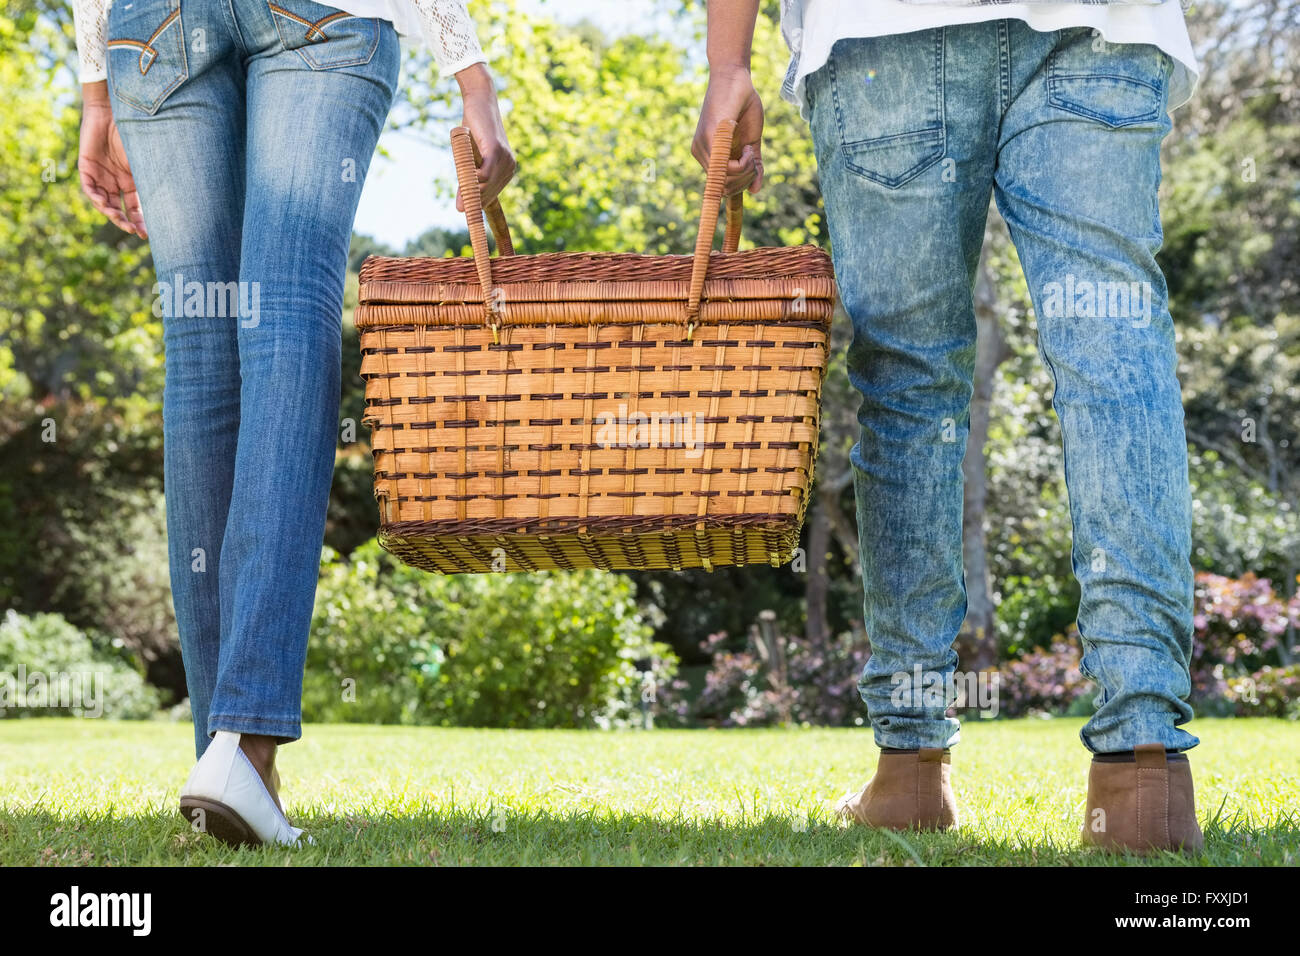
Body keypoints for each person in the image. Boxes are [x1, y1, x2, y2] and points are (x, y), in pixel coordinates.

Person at [694, 0, 1205, 853]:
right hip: (1103, 24)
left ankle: (911, 769)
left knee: (909, 381)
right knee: (1114, 359)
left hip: (885, 34)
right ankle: (1142, 772)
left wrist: (727, 66)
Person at [73, 0, 515, 847]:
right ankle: (243, 746)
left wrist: (96, 90)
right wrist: (471, 73)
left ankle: (223, 755)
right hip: (321, 18)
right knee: (284, 322)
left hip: (153, 25)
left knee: (202, 355)